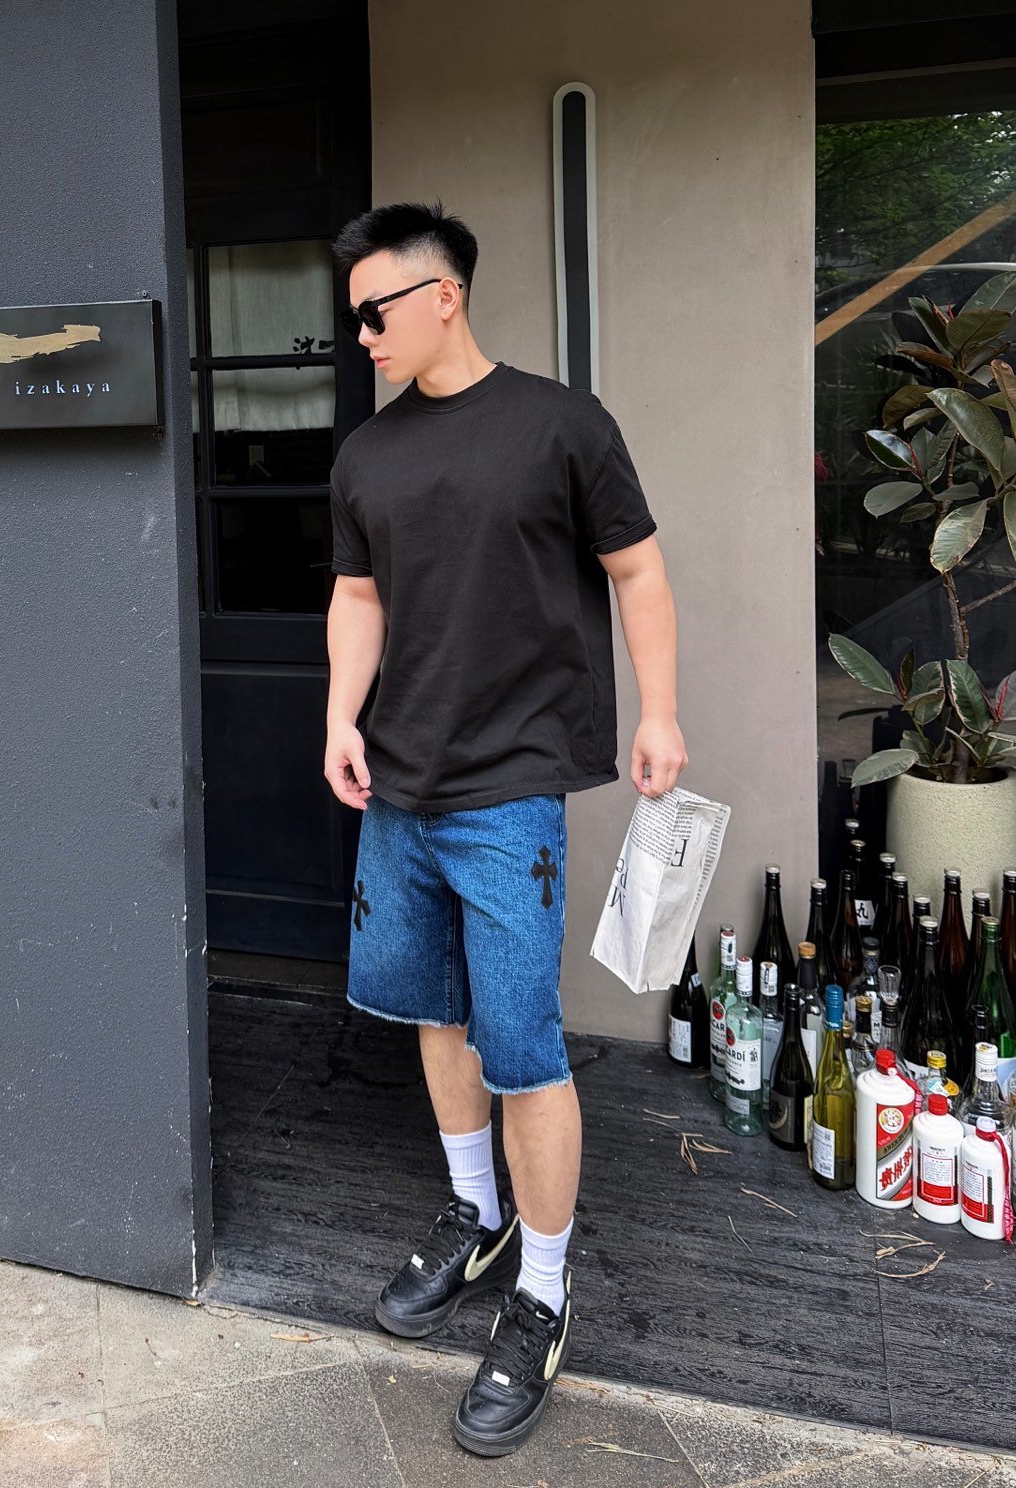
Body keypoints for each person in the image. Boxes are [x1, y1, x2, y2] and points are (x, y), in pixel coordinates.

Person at [324, 199, 686, 1460]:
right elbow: (356, 595)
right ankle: (475, 1217)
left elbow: (638, 569)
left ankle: (542, 1291)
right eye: (354, 315)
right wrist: (341, 716)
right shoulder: (367, 455)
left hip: (512, 786)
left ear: (445, 296)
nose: (362, 333)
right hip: (400, 786)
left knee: (522, 1047)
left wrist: (661, 711)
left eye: (377, 309)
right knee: (436, 1011)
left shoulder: (562, 426)